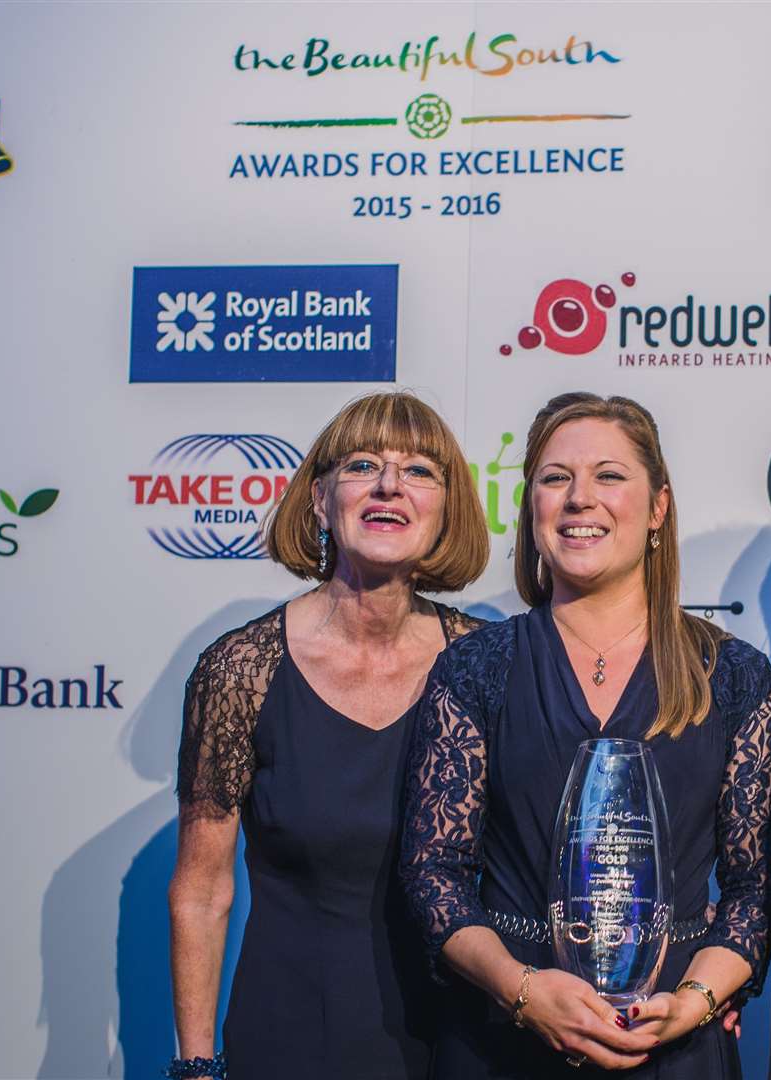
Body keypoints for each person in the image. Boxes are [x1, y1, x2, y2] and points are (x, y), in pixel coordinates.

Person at [401, 391, 771, 1078]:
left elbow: (754, 892)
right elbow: (435, 876)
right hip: (502, 1043)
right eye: (556, 478)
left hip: (676, 1051)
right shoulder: (474, 669)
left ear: (658, 507)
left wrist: (696, 1000)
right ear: (531, 507)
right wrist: (523, 991)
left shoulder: (734, 679)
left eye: (610, 476)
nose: (581, 498)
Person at [167, 392, 490, 1080]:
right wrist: (196, 1068)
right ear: (318, 501)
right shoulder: (240, 670)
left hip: (468, 1041)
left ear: (447, 511)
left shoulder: (489, 665)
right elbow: (201, 890)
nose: (389, 485)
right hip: (292, 1036)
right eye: (363, 464)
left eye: (420, 471)